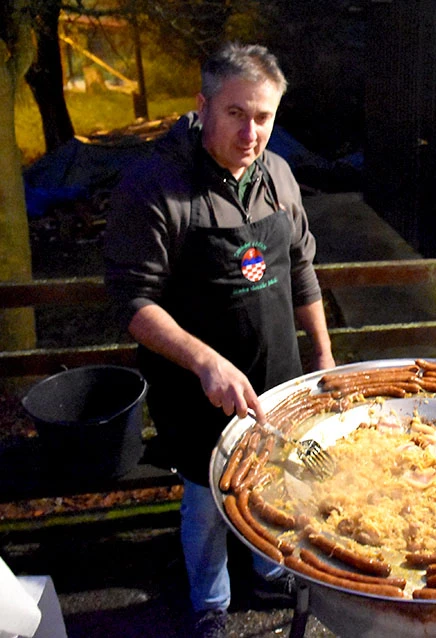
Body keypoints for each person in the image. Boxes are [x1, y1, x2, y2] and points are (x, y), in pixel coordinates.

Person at [104, 43, 335, 637]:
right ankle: (210, 601)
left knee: (278, 478)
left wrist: (324, 355)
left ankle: (268, 569)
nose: (251, 132)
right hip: (193, 387)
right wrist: (206, 361)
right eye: (236, 114)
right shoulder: (156, 184)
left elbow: (302, 268)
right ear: (202, 105)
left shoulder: (279, 175)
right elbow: (132, 302)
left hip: (278, 375)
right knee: (207, 497)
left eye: (264, 117)